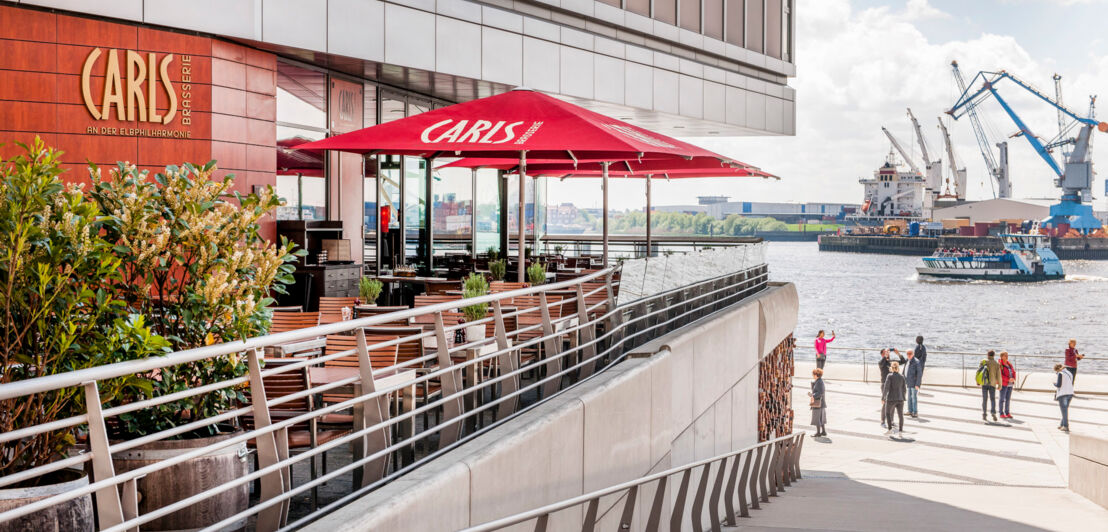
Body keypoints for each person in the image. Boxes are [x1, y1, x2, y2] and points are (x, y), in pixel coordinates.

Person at [882, 361, 907, 435]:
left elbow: (886, 388)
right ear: (898, 368)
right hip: (900, 399)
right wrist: (903, 397)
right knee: (900, 415)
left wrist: (883, 397)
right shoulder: (902, 376)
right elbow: (904, 389)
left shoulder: (889, 376)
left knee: (887, 413)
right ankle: (900, 431)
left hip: (891, 399)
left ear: (891, 368)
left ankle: (890, 429)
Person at [977, 350, 1001, 422]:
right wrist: (1000, 385)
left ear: (987, 354)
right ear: (994, 355)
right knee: (992, 399)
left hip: (984, 383)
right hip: (992, 383)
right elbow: (999, 375)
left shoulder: (983, 361)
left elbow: (979, 371)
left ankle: (984, 414)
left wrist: (978, 381)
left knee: (984, 399)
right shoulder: (996, 363)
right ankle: (993, 413)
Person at [1053, 363, 1074, 432]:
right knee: (1065, 410)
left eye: (1056, 371)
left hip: (1063, 394)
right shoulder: (1069, 373)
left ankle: (1065, 426)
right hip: (1070, 393)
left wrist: (1054, 384)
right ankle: (1062, 424)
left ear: (1058, 369)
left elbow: (1059, 385)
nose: (1056, 373)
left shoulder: (1060, 374)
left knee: (1064, 411)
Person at [809, 368, 828, 437]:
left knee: (817, 418)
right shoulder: (819, 381)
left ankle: (818, 433)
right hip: (821, 403)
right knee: (821, 418)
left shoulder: (819, 382)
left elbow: (820, 393)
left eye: (813, 374)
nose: (812, 376)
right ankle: (823, 431)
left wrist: (812, 395)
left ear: (816, 375)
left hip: (818, 403)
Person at [998, 351, 1016, 419]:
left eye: (1007, 355)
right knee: (1002, 399)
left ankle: (1007, 412)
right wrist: (1008, 379)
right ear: (1002, 356)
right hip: (1004, 384)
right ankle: (1001, 413)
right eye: (1005, 355)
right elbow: (1000, 375)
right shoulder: (1000, 365)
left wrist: (1013, 378)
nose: (1007, 356)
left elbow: (1013, 371)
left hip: (1010, 384)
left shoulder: (1009, 364)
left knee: (1008, 399)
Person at [904, 350, 922, 418]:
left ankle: (915, 412)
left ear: (913, 354)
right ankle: (910, 411)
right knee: (909, 398)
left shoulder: (916, 362)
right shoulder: (908, 360)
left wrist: (918, 384)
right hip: (908, 382)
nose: (908, 355)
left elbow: (919, 374)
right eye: (907, 354)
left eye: (910, 353)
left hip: (914, 383)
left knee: (914, 398)